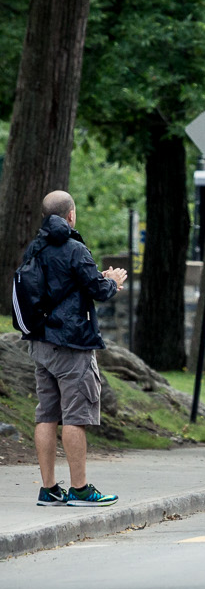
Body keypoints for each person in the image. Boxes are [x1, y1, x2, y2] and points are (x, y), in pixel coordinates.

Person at [17, 190, 126, 507]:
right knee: (75, 417)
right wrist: (113, 280)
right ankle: (80, 489)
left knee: (46, 415)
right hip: (71, 344)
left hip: (41, 343)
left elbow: (60, 285)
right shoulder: (75, 249)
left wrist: (96, 278)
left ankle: (49, 489)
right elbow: (98, 290)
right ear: (71, 215)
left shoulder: (34, 249)